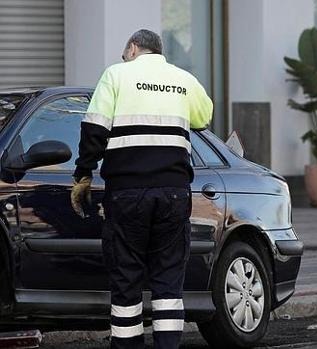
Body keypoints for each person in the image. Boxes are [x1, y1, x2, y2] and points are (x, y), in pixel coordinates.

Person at [71, 29, 213, 349]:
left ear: (133, 48)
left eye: (126, 54)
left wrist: (83, 175)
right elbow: (204, 117)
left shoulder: (116, 75)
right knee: (168, 284)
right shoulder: (183, 79)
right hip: (174, 193)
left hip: (127, 192)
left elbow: (94, 129)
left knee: (127, 280)